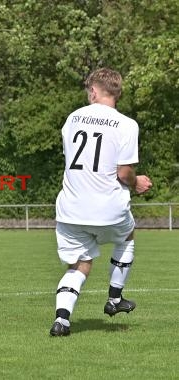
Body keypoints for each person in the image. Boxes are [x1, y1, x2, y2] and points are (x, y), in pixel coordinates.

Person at [50, 68, 152, 336]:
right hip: (109, 208)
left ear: (94, 91)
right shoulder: (127, 124)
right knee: (127, 235)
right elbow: (124, 172)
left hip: (71, 209)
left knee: (79, 265)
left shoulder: (72, 118)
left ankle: (62, 320)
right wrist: (137, 181)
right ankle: (115, 299)